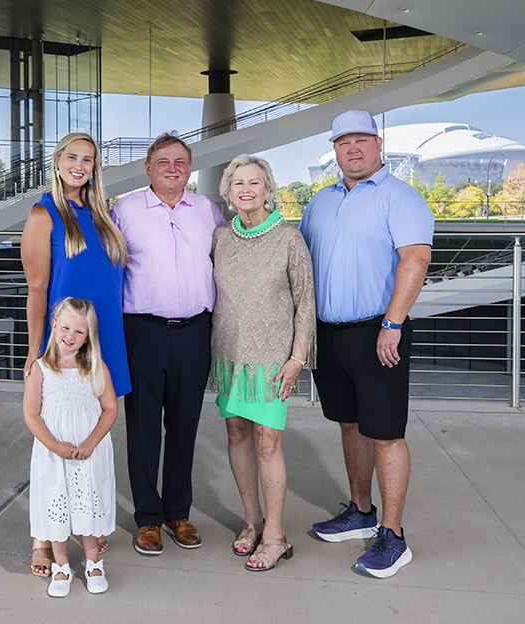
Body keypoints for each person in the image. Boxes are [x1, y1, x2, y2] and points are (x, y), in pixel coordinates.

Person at [299, 109, 433, 579]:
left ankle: (393, 537)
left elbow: (415, 258)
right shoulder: (319, 201)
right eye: (342, 143)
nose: (352, 149)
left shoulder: (401, 197)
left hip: (379, 331)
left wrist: (393, 324)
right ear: (333, 150)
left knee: (387, 433)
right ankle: (361, 512)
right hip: (328, 332)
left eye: (360, 141)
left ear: (378, 145)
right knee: (350, 424)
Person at [110, 133, 224, 555]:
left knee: (184, 425)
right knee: (142, 427)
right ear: (148, 167)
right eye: (163, 161)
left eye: (180, 161)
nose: (172, 168)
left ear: (189, 168)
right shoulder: (125, 210)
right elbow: (109, 269)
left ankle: (178, 513)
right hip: (143, 331)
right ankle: (148, 520)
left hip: (195, 331)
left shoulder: (207, 210)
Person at [22, 132, 129, 576]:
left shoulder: (104, 215)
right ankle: (43, 539)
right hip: (62, 347)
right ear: (58, 161)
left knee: (94, 438)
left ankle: (88, 519)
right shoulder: (43, 213)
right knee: (52, 443)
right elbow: (37, 288)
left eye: (88, 159)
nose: (80, 165)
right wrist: (34, 352)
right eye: (72, 157)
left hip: (104, 343)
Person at [210, 155, 316, 572]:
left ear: (269, 190)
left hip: (272, 360)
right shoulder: (220, 237)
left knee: (267, 440)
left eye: (255, 182)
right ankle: (252, 522)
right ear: (228, 192)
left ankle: (275, 535)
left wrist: (298, 357)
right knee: (237, 432)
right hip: (229, 355)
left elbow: (305, 300)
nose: (246, 189)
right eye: (238, 183)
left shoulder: (289, 238)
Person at [24, 298, 118, 597]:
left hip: (88, 452)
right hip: (54, 453)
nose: (70, 335)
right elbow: (31, 414)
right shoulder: (40, 369)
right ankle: (62, 565)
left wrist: (91, 442)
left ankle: (93, 562)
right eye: (65, 327)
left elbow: (110, 408)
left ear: (88, 336)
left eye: (79, 331)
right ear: (54, 326)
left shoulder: (95, 367)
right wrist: (53, 445)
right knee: (58, 505)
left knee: (86, 503)